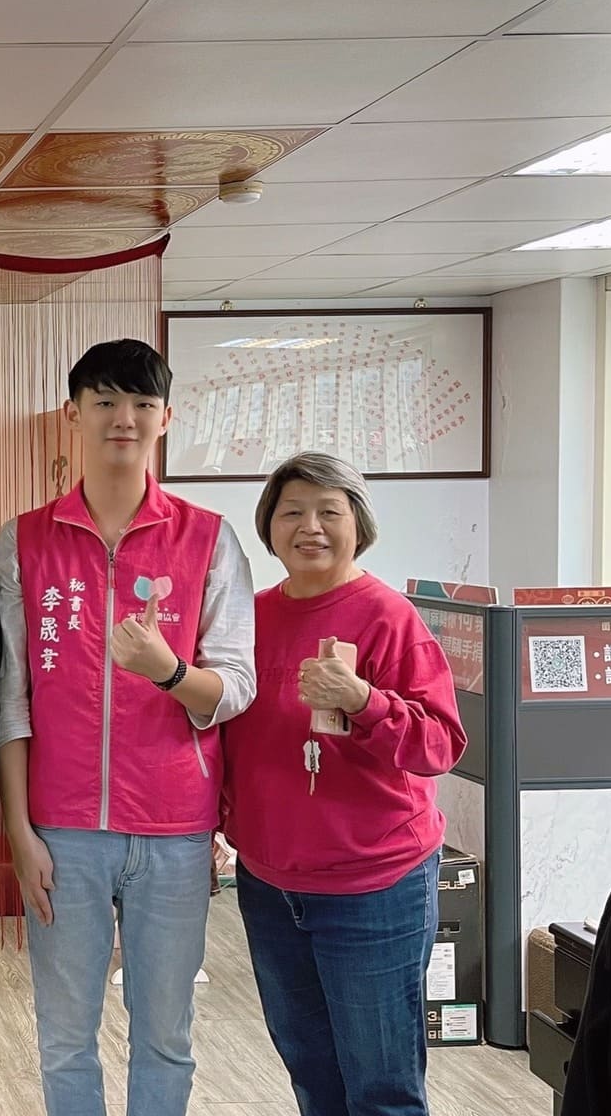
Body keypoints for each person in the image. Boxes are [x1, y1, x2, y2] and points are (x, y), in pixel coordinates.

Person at [0, 338, 257, 1116]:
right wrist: (19, 830)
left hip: (175, 831)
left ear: (166, 418)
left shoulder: (209, 538)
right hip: (62, 830)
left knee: (165, 1035)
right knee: (64, 1034)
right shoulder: (24, 540)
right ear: (72, 415)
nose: (124, 418)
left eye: (142, 403)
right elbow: (9, 698)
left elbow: (236, 685)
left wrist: (168, 670)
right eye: (105, 401)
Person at [221, 452, 466, 1116]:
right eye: (292, 512)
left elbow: (440, 745)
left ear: (358, 524)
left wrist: (363, 701)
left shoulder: (388, 617)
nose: (310, 527)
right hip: (269, 883)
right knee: (311, 1071)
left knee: (381, 1085)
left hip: (373, 887)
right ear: (269, 526)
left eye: (329, 511)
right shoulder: (248, 618)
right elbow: (223, 732)